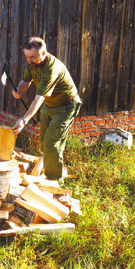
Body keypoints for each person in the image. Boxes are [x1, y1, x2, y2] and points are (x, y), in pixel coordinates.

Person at [11, 37, 82, 180]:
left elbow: (40, 98)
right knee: (44, 140)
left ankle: (53, 180)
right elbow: (26, 81)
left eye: (32, 57)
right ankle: (53, 166)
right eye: (26, 57)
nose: (29, 60)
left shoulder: (52, 69)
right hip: (50, 104)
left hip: (65, 107)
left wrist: (24, 120)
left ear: (43, 53)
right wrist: (19, 89)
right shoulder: (32, 64)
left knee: (51, 142)